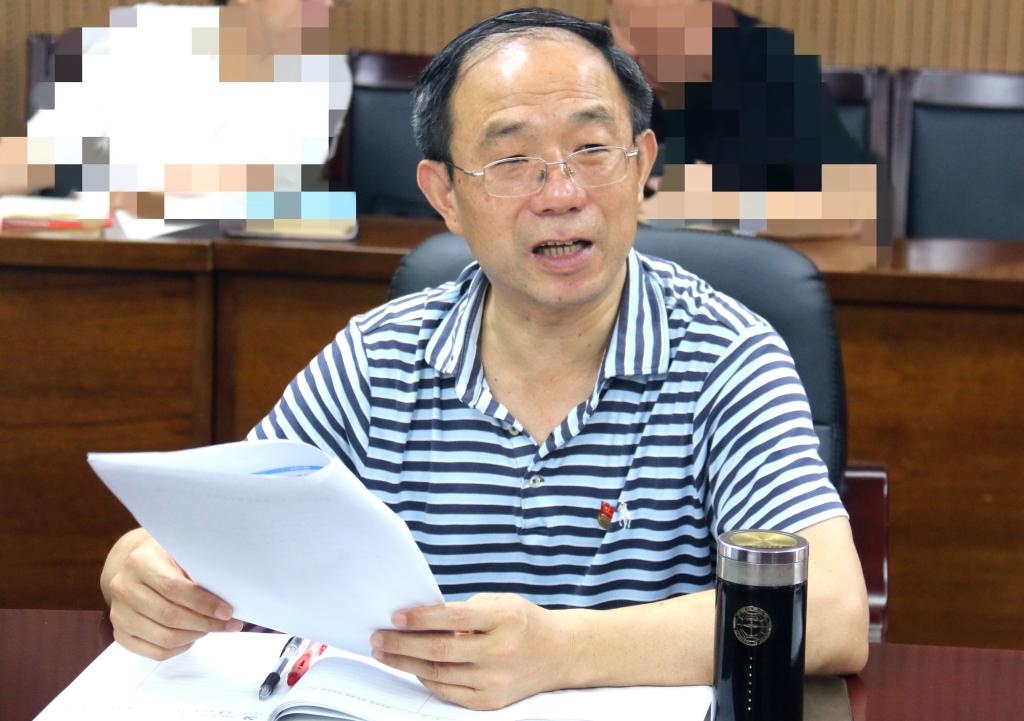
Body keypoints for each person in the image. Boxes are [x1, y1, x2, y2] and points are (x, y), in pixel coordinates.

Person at [99, 8, 869, 711]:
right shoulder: (376, 360)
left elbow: (832, 611)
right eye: (512, 160)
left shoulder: (726, 355)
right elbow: (217, 532)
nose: (561, 192)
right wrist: (144, 570)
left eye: (592, 148)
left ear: (641, 165)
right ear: (444, 195)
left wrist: (564, 650)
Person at [0, 0, 351, 222]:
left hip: (241, 267)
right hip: (102, 254)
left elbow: (278, 187)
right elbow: (44, 150)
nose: (330, 4)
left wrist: (141, 191)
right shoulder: (145, 33)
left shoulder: (325, 72)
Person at [608, 0, 872, 194]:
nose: (637, 48)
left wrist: (723, 201)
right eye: (625, 24)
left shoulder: (775, 60)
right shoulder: (593, 56)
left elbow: (849, 196)